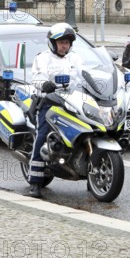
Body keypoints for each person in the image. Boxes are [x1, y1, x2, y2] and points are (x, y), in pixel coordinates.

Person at [28, 23, 83, 198]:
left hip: (72, 101)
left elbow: (86, 76)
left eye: (67, 42)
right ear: (52, 43)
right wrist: (44, 84)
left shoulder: (75, 59)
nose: (64, 45)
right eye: (60, 42)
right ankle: (35, 183)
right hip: (48, 102)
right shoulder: (43, 58)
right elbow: (36, 77)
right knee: (43, 135)